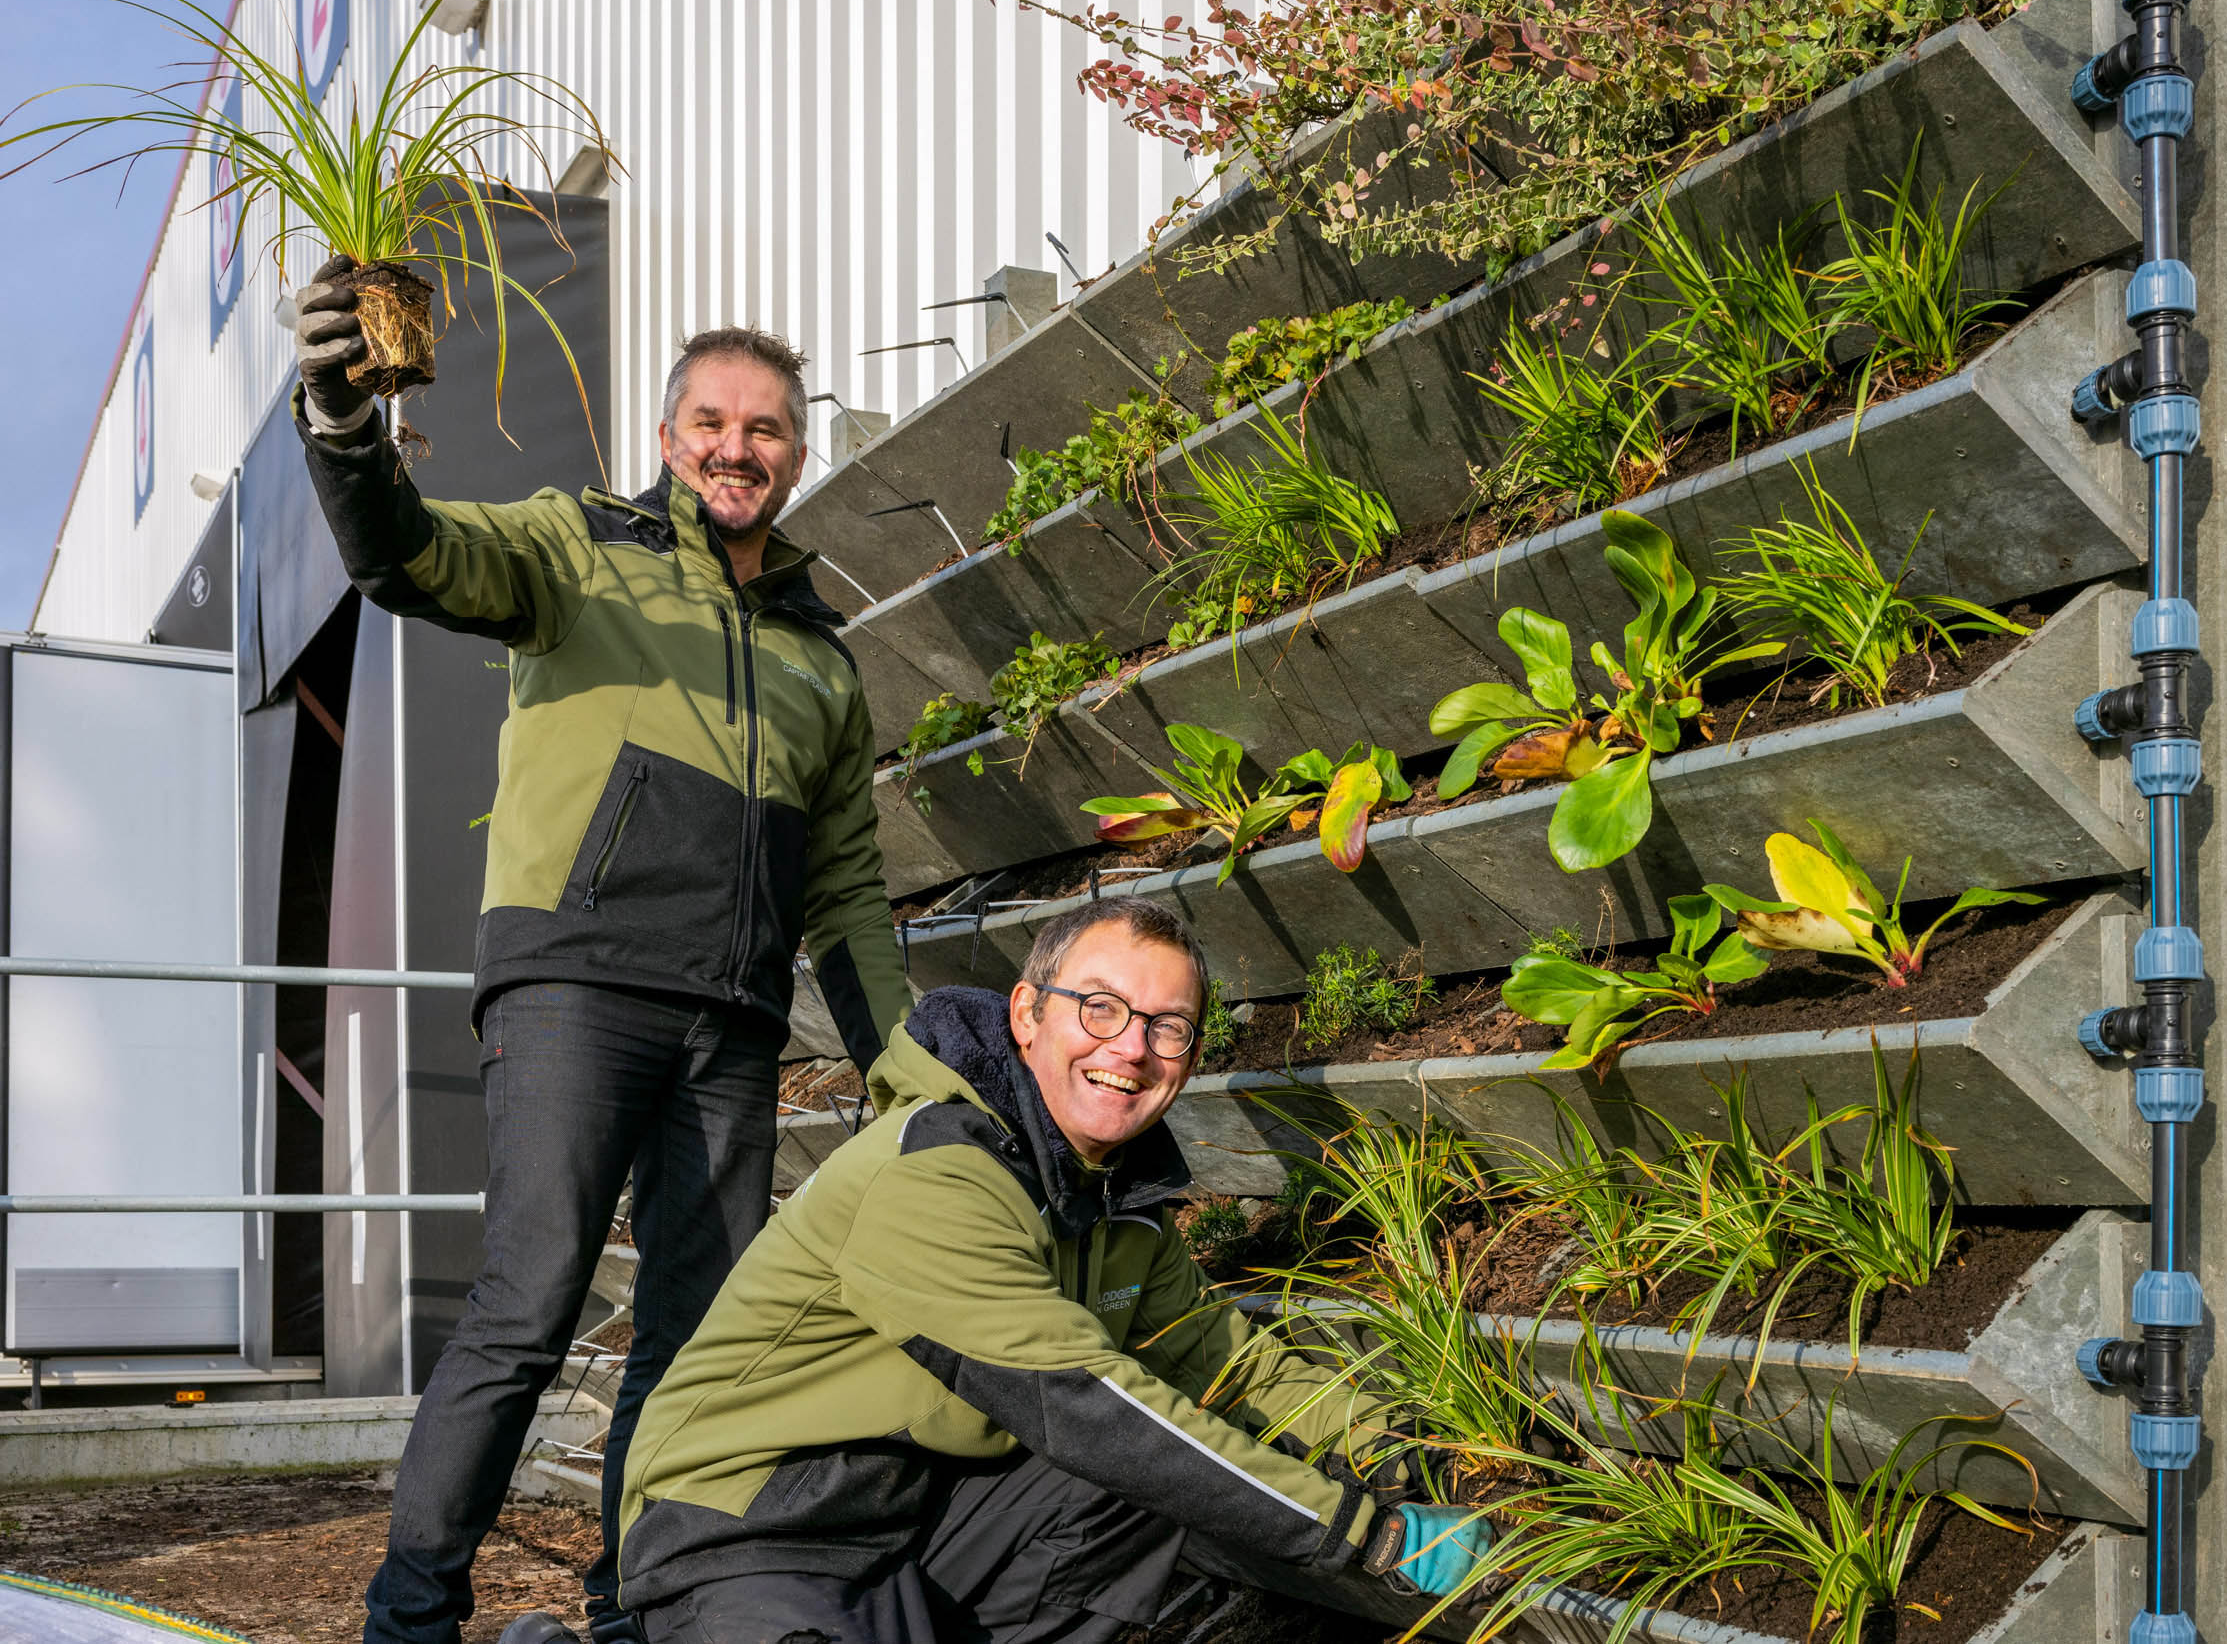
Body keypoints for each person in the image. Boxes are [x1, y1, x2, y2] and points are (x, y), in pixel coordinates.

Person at [290, 259, 914, 1644]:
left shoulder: (822, 654)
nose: (736, 448)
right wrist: (341, 424)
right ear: (668, 431)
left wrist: (908, 1071)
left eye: (765, 429)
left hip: (733, 1020)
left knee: (694, 1344)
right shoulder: (581, 543)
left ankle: (636, 1608)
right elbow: (409, 554)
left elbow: (851, 894)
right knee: (529, 1300)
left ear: (799, 452)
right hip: (578, 980)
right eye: (712, 422)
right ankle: (412, 1617)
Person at [588, 896, 1493, 1644]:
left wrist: (1409, 1447)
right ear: (1027, 1014)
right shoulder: (934, 1172)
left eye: (1167, 1027)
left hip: (913, 1524)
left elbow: (1231, 1364)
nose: (1129, 1047)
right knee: (1125, 1442)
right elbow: (1083, 1401)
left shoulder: (1112, 1204)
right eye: (1099, 1007)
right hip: (751, 1533)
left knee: (1129, 1485)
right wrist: (1363, 1532)